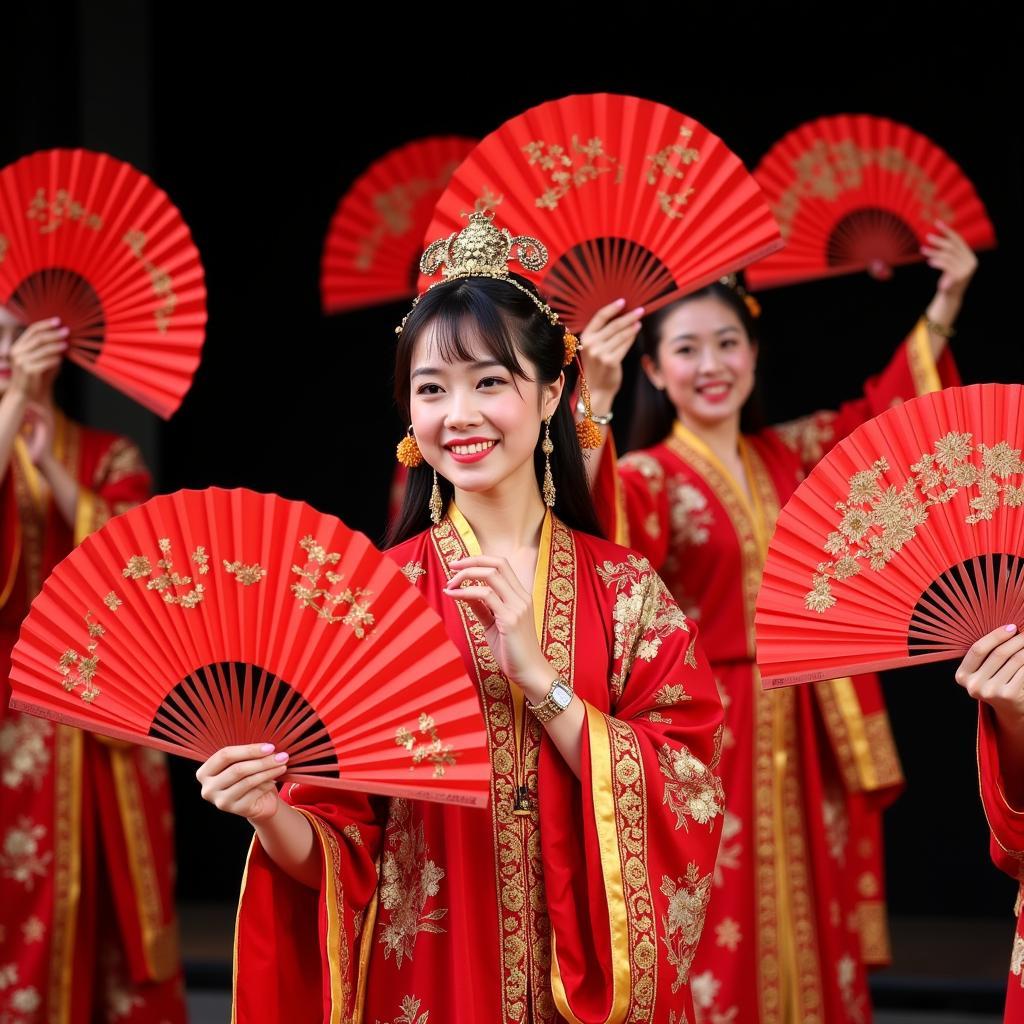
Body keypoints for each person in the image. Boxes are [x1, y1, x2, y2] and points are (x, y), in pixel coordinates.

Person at [199, 213, 725, 1023]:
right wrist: (270, 812)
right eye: (431, 389)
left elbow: (687, 790)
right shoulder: (368, 602)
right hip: (429, 983)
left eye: (490, 382)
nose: (459, 415)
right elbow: (339, 851)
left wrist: (544, 686)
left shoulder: (626, 591)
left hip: (576, 980)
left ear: (553, 392)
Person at [577, 221, 975, 1021]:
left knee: (812, 900)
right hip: (708, 728)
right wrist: (594, 400)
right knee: (718, 911)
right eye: (686, 349)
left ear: (753, 354)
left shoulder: (792, 455)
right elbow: (602, 552)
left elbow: (887, 423)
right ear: (653, 367)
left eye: (728, 342)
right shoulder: (646, 475)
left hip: (807, 718)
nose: (712, 364)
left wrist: (948, 299)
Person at [0, 308, 184, 1022]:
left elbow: (132, 570)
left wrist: (47, 464)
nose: (9, 351)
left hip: (100, 703)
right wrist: (13, 407)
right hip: (10, 711)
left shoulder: (107, 454)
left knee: (112, 899)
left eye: (18, 334)